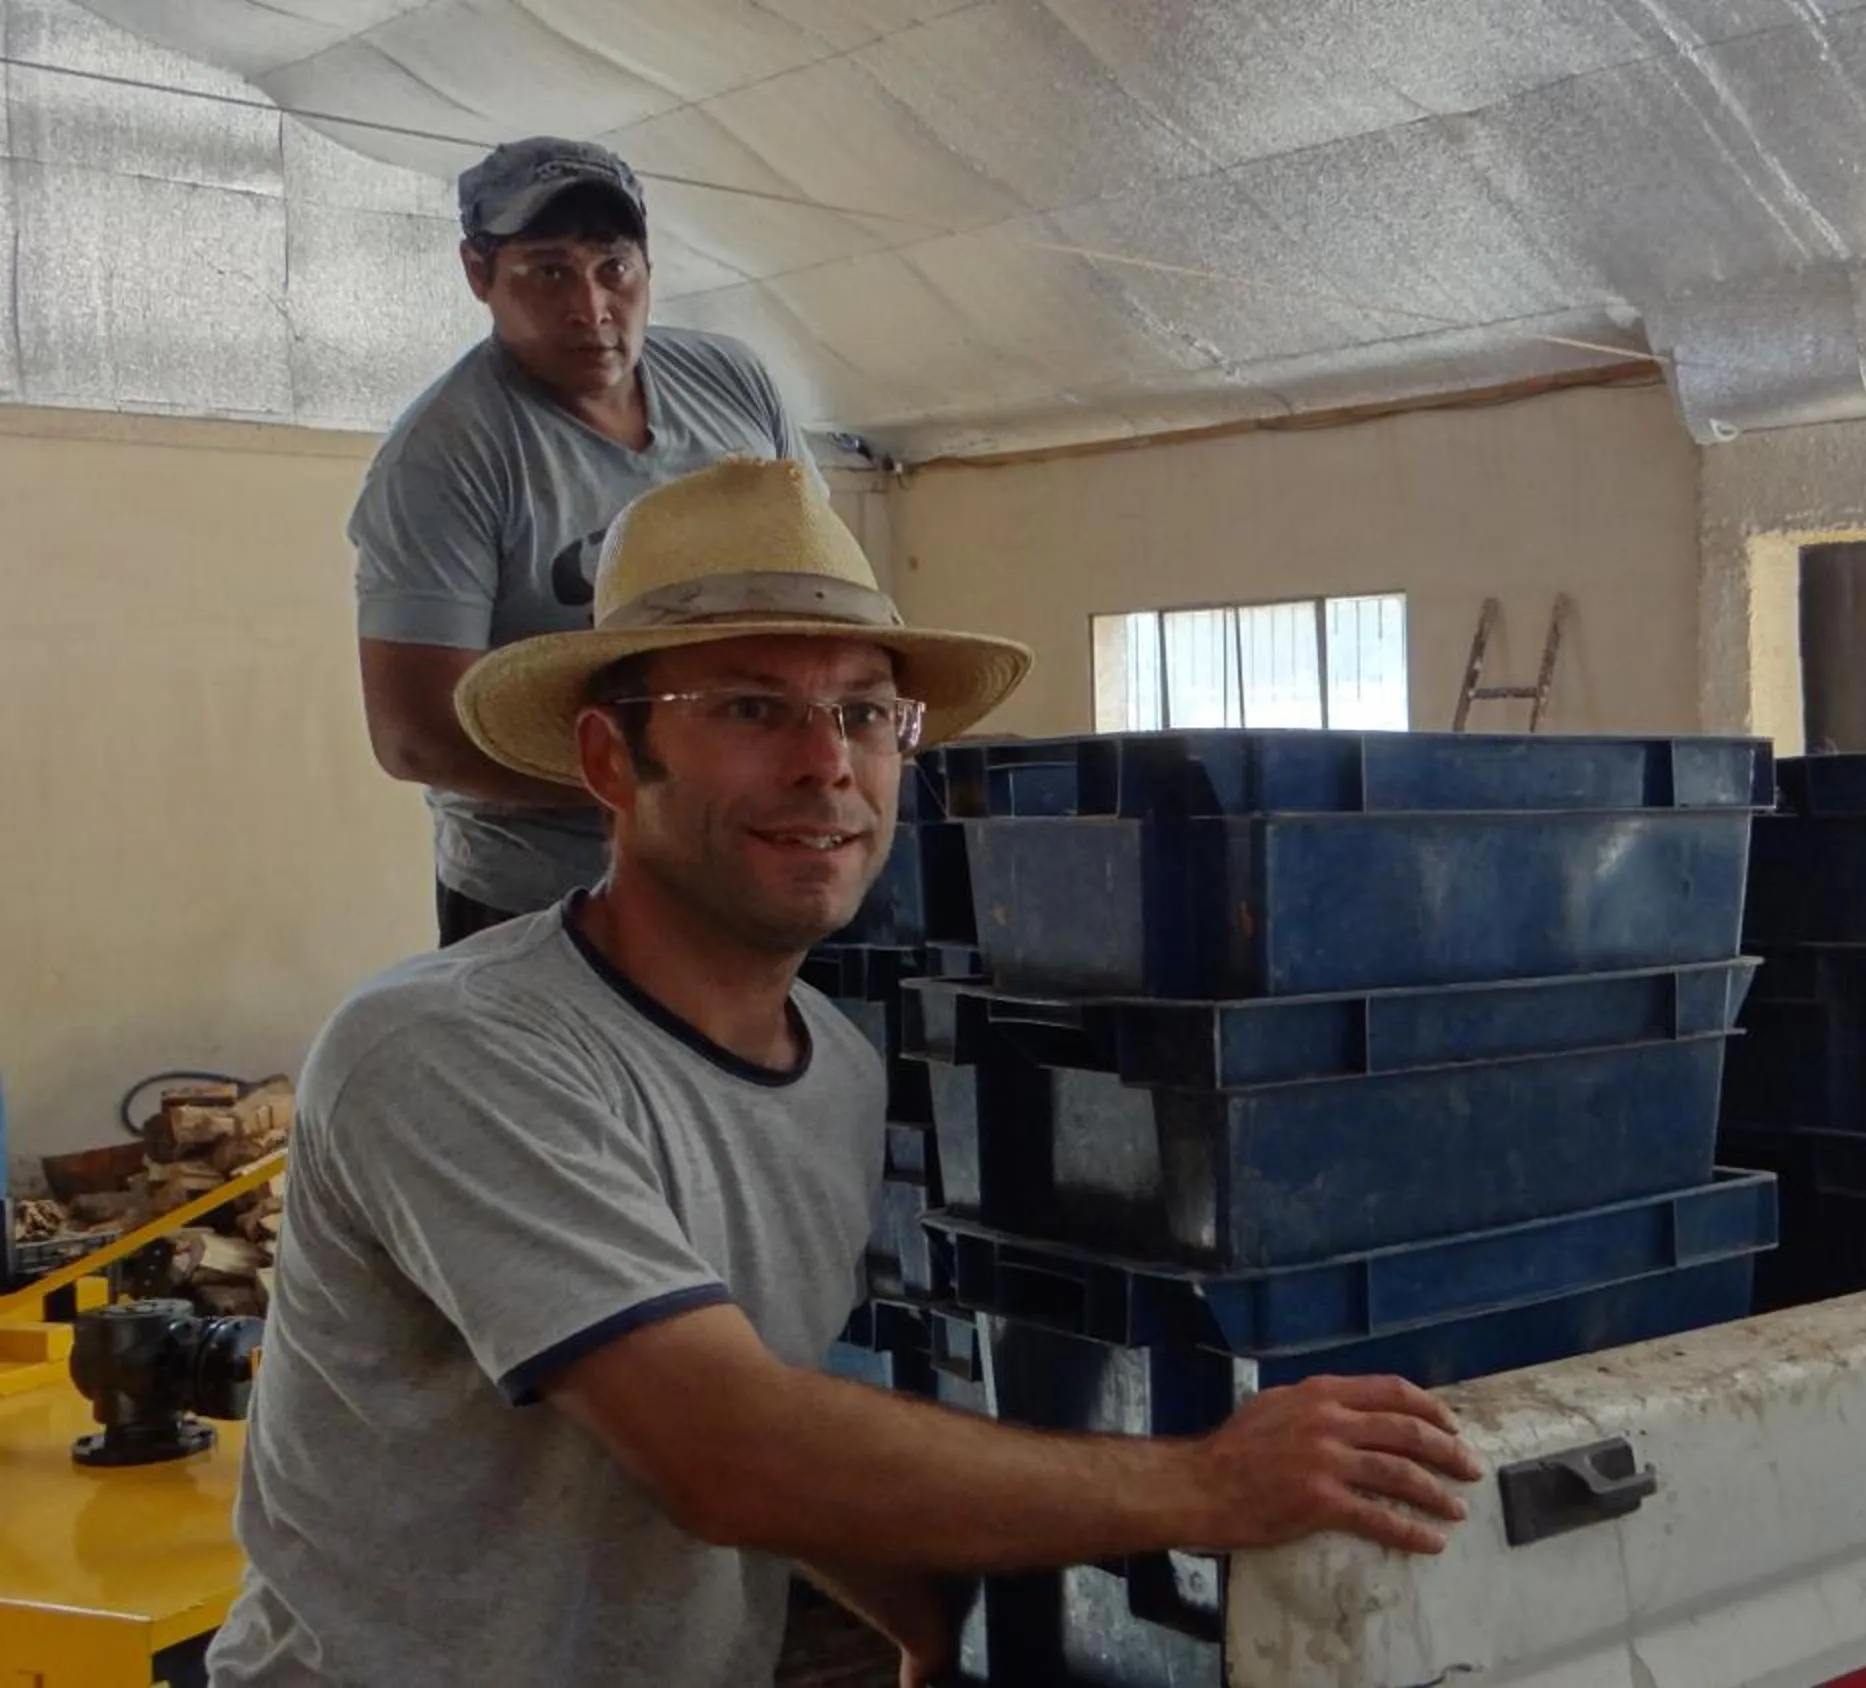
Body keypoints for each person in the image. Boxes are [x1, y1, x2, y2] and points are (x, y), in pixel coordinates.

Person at [209, 459, 1484, 1688]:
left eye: (866, 712)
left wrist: (923, 1616)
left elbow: (766, 1408)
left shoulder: (835, 1073)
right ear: (610, 760)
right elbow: (723, 1449)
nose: (827, 766)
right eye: (752, 708)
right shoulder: (456, 1049)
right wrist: (1211, 1482)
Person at [352, 135, 825, 947]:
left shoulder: (733, 385)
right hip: (541, 897)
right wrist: (658, 786)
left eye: (615, 269)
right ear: (478, 274)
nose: (591, 308)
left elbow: (823, 593)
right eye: (547, 271)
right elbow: (415, 733)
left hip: (740, 868)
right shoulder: (447, 455)